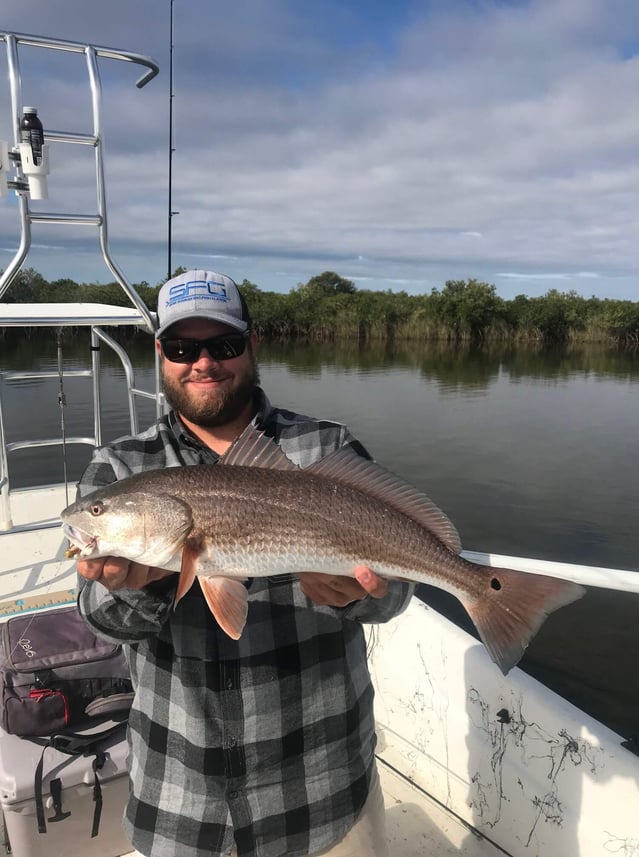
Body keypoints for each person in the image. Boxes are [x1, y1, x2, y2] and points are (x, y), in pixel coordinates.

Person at [76, 269, 415, 857]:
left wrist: (360, 593)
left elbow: (398, 589)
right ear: (161, 354)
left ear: (251, 347)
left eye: (224, 345)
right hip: (182, 796)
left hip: (323, 790)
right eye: (182, 348)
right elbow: (97, 615)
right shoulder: (122, 468)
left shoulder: (324, 450)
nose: (203, 363)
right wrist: (134, 588)